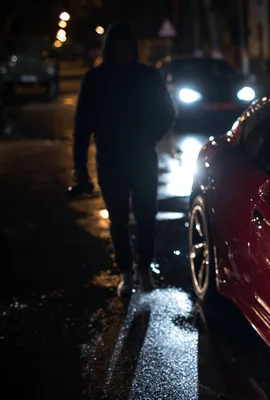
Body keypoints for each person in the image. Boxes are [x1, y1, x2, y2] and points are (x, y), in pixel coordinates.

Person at [72, 23, 176, 296]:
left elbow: (168, 111)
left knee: (146, 216)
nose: (122, 54)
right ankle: (126, 273)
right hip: (109, 159)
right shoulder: (95, 79)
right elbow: (82, 126)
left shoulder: (147, 77)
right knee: (118, 219)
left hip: (142, 157)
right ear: (109, 50)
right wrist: (79, 168)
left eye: (126, 49)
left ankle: (143, 270)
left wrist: (151, 136)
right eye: (117, 50)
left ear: (133, 49)